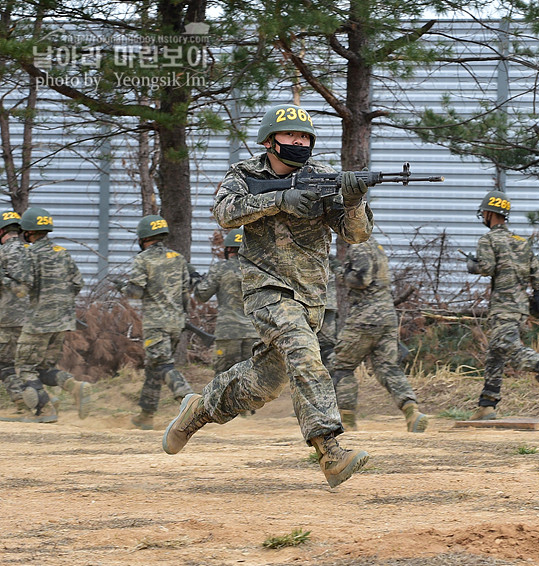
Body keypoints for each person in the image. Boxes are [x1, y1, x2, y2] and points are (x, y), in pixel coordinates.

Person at [162, 103, 373, 489]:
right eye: (292, 135)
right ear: (270, 141)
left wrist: (355, 200)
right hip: (267, 291)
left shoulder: (323, 177)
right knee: (305, 357)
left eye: (306, 136)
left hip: (310, 296)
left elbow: (355, 234)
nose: (300, 141)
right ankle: (330, 451)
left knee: (263, 382)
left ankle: (198, 410)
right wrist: (279, 200)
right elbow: (225, 213)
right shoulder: (244, 175)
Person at [466, 190, 539, 420]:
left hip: (503, 307)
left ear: (489, 213)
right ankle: (488, 404)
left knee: (510, 350)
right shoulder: (522, 243)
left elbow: (486, 267)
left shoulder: (488, 240)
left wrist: (472, 265)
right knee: (495, 353)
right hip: (519, 308)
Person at [332, 235, 427, 433]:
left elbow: (361, 279)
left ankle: (347, 421)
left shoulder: (359, 247)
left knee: (341, 366)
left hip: (365, 318)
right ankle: (411, 411)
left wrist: (339, 271)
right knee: (388, 369)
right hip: (387, 318)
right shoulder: (376, 247)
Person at [114, 214, 194, 430]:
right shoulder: (178, 258)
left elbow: (135, 293)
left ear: (143, 238)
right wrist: (182, 316)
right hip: (176, 323)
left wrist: (121, 287)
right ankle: (145, 415)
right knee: (154, 368)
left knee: (161, 364)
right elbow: (186, 292)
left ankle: (189, 400)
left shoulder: (143, 260)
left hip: (156, 324)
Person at [12, 207, 90, 422]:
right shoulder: (63, 253)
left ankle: (44, 410)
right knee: (44, 368)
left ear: (28, 232)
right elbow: (78, 283)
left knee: (25, 368)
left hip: (38, 322)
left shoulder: (30, 254)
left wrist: (11, 283)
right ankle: (74, 386)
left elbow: (22, 289)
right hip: (62, 322)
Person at [193, 228, 259, 377]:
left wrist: (195, 282)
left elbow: (202, 295)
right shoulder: (257, 270)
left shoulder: (221, 268)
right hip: (254, 334)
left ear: (228, 248)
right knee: (250, 381)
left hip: (228, 334)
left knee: (223, 380)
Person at [0, 210, 32, 415]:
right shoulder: (32, 252)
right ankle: (42, 398)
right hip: (33, 318)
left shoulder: (2, 254)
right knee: (29, 364)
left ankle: (22, 401)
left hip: (7, 318)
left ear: (2, 231)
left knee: (4, 363)